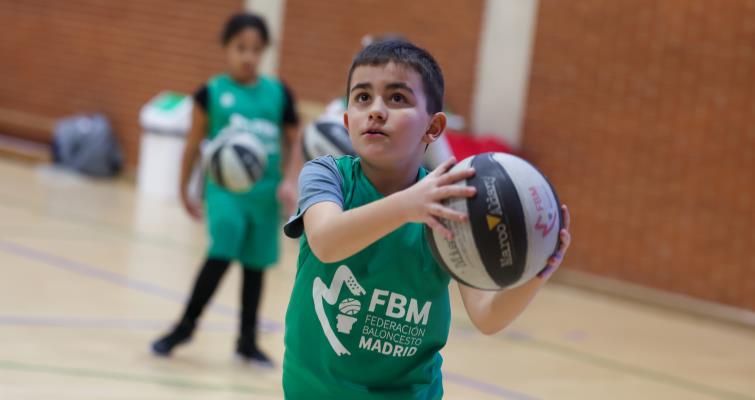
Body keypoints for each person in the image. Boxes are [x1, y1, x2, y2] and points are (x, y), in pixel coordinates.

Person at [281, 40, 571, 398]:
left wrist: (538, 271)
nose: (375, 111)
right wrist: (408, 205)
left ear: (433, 128)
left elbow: (487, 316)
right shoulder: (327, 175)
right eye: (362, 98)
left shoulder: (455, 205)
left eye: (397, 98)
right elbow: (326, 242)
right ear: (346, 122)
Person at [150, 12, 301, 366]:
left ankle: (246, 341)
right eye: (241, 48)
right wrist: (184, 189)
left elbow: (296, 140)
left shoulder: (279, 94)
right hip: (224, 192)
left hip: (263, 195)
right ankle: (185, 326)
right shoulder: (211, 92)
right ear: (226, 48)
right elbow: (192, 144)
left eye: (256, 49)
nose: (248, 56)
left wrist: (291, 179)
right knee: (222, 250)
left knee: (255, 265)